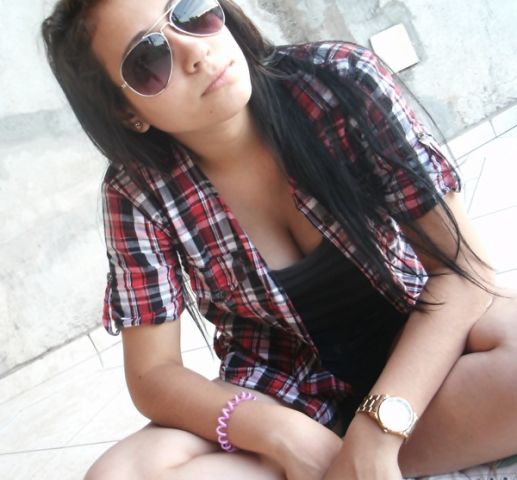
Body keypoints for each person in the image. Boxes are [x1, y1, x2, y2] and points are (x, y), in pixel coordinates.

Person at [41, 0, 517, 478]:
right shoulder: (137, 192)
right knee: (119, 474)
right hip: (285, 388)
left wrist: (377, 432)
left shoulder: (340, 81)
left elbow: (464, 271)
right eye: (147, 59)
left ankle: (354, 465)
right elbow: (153, 374)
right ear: (127, 112)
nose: (196, 53)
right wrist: (280, 433)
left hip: (422, 347)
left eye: (189, 10)